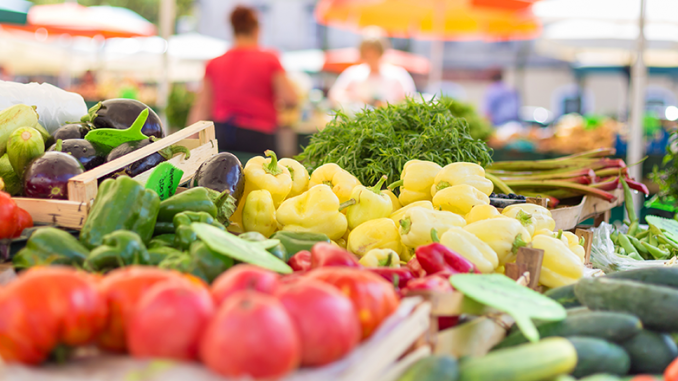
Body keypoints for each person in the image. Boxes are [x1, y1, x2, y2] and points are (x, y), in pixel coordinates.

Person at [188, 5, 297, 154]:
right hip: (259, 136)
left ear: (233, 30)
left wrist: (190, 142)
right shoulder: (269, 60)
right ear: (256, 30)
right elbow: (290, 98)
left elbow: (202, 107)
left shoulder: (214, 63)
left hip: (223, 134)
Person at [328, 27, 416, 111]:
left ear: (381, 52)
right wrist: (354, 98)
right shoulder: (353, 74)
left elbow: (409, 100)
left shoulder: (398, 76)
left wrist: (388, 104)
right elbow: (334, 95)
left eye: (374, 53)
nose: (371, 57)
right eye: (367, 54)